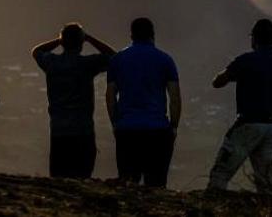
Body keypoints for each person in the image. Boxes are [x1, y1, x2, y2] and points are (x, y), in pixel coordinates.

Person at [207, 18, 272, 195]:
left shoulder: (246, 61)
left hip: (248, 124)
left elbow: (218, 82)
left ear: (255, 38)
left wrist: (233, 73)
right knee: (267, 184)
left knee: (220, 174)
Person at [32, 22, 116, 178]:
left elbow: (37, 51)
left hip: (59, 130)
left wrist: (59, 40)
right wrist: (90, 39)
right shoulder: (87, 64)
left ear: (63, 42)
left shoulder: (52, 62)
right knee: (83, 177)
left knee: (59, 179)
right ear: (81, 43)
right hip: (83, 130)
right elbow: (115, 58)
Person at [105, 17, 181, 187]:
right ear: (152, 35)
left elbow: (110, 96)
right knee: (156, 184)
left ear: (131, 35)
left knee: (129, 183)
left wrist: (116, 123)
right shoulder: (165, 60)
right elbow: (174, 97)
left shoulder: (118, 60)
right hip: (157, 130)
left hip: (127, 129)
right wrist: (174, 126)